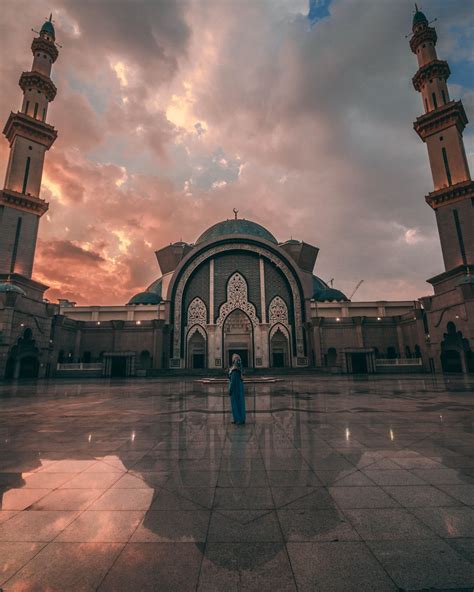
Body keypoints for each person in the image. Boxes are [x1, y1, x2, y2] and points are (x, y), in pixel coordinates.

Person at [228, 353, 246, 425]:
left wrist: (230, 389)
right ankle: (238, 418)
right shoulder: (239, 370)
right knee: (240, 403)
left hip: (235, 389)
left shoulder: (235, 370)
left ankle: (238, 419)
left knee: (236, 404)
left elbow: (232, 381)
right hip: (239, 388)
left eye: (234, 359)